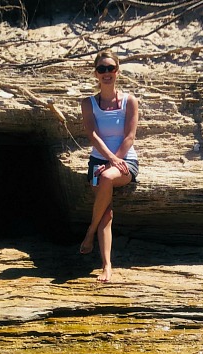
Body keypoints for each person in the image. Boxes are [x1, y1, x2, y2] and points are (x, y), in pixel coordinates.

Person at [79, 50, 139, 282]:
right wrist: (107, 159)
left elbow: (130, 137)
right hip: (98, 161)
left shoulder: (129, 101)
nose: (107, 73)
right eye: (102, 69)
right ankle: (106, 265)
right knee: (106, 213)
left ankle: (89, 233)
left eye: (110, 68)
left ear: (117, 71)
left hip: (125, 161)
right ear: (96, 73)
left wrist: (116, 160)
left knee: (107, 177)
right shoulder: (88, 103)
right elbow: (92, 135)